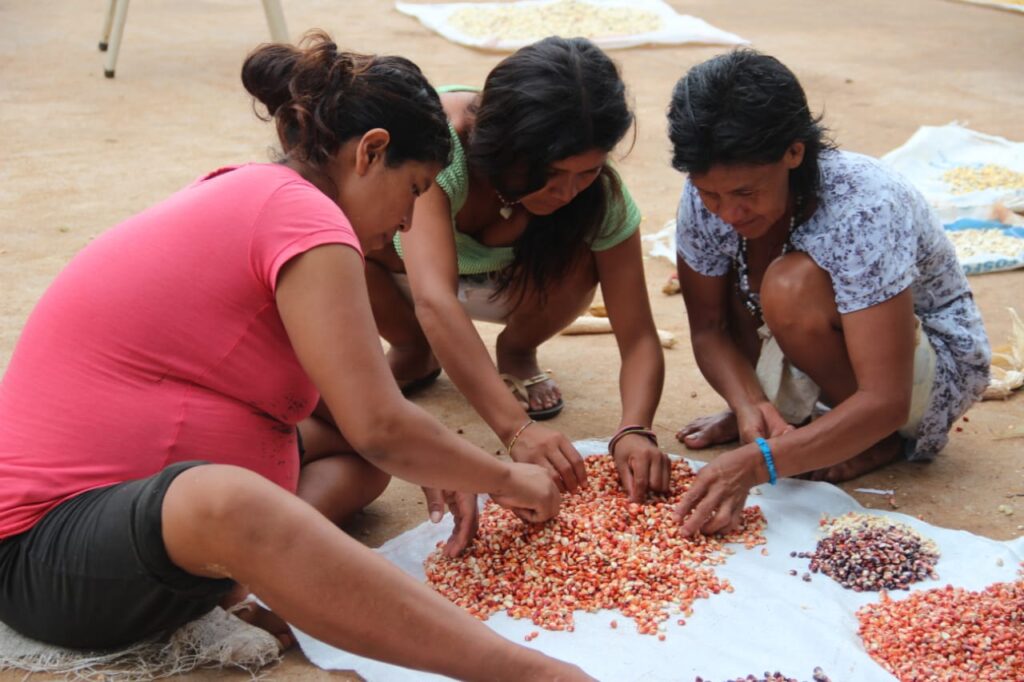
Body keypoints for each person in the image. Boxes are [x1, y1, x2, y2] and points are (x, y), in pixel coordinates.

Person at [0, 32, 594, 682]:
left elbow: (363, 416)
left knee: (366, 463)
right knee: (233, 499)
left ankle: (252, 578)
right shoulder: (308, 221)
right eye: (415, 190)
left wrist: (430, 457)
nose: (405, 224)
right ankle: (531, 674)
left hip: (114, 525)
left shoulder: (270, 195)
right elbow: (382, 424)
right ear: (372, 152)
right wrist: (503, 477)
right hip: (44, 554)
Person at [666, 50, 990, 536]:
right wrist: (750, 405)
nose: (727, 211)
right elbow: (709, 328)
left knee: (788, 286)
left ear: (794, 153)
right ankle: (788, 419)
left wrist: (758, 465)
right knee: (739, 265)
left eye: (746, 194)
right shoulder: (707, 192)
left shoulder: (864, 206)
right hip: (835, 350)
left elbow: (886, 397)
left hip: (928, 371)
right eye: (711, 195)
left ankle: (872, 440)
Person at [364, 36, 670, 505]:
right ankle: (413, 346)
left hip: (510, 284)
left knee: (586, 248)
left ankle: (518, 348)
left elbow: (640, 336)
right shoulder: (440, 148)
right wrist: (516, 429)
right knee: (349, 233)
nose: (568, 191)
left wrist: (635, 427)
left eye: (587, 171)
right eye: (551, 173)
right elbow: (434, 298)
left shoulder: (598, 194)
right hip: (408, 273)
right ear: (506, 148)